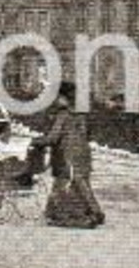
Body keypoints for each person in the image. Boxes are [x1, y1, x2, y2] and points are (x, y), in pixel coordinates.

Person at [33, 83, 104, 229]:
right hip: (83, 153)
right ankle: (55, 213)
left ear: (62, 97)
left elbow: (53, 138)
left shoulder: (63, 115)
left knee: (73, 183)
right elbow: (87, 133)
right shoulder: (81, 114)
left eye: (56, 97)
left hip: (67, 155)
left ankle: (91, 212)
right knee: (76, 182)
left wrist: (36, 141)